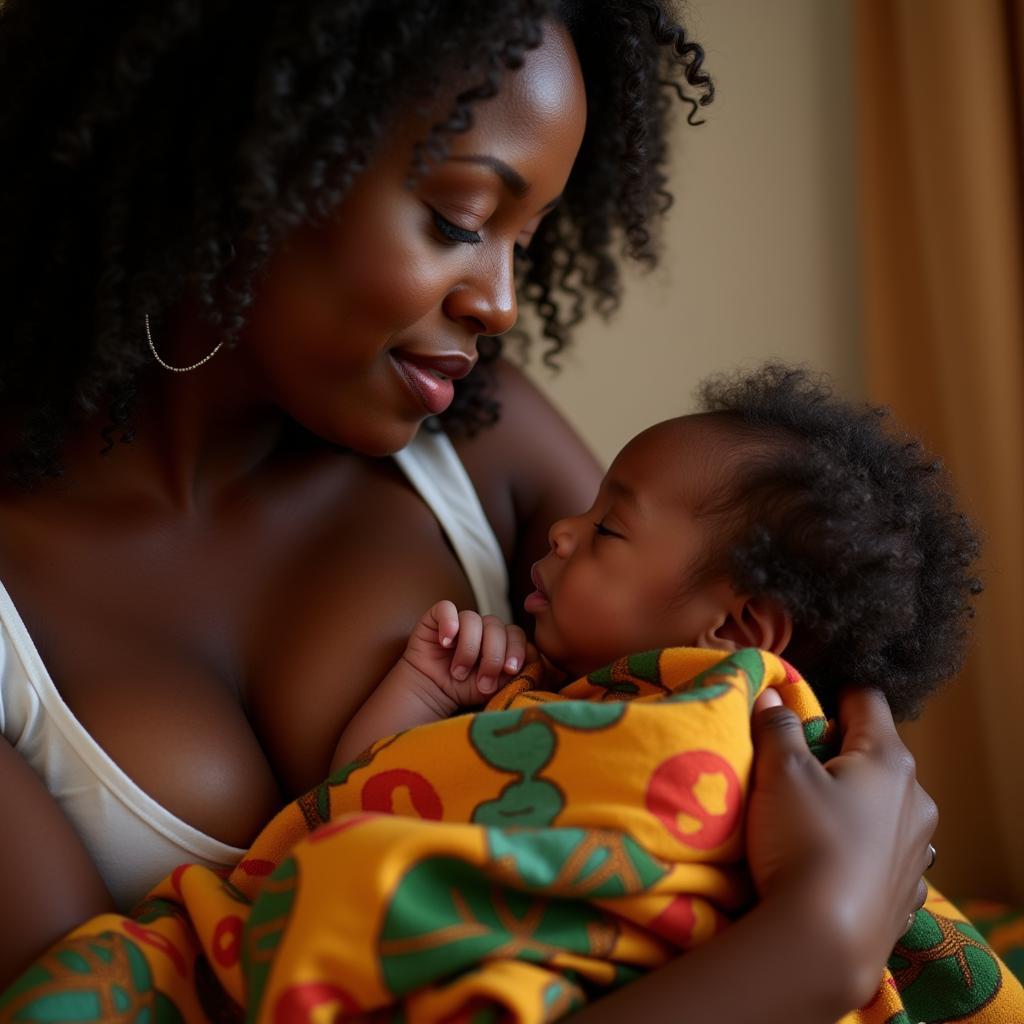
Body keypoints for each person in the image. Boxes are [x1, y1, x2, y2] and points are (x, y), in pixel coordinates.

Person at [0, 2, 936, 1019]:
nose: (499, 303)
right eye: (459, 218)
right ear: (244, 155)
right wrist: (814, 943)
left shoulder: (480, 440)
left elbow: (743, 696)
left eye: (525, 243)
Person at [332, 363, 981, 767]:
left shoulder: (745, 766)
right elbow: (367, 807)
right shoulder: (533, 695)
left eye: (607, 529)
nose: (561, 530)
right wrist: (426, 692)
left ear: (734, 633)